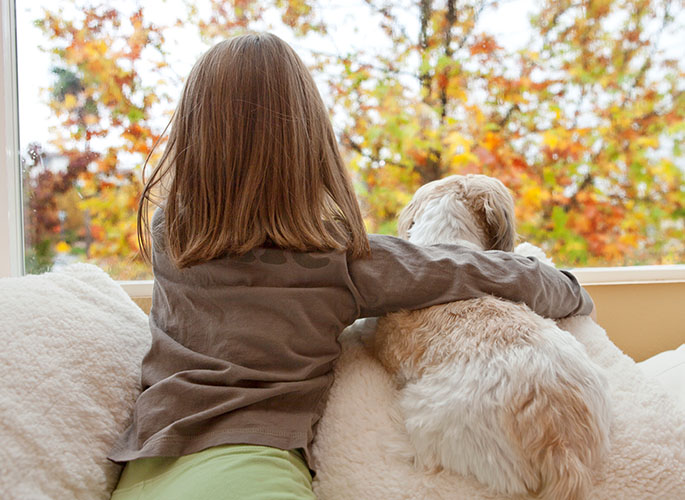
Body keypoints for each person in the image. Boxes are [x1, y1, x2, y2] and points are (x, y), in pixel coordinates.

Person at [108, 32, 594, 500]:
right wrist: (572, 291)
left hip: (143, 464)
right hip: (253, 471)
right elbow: (477, 269)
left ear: (195, 135)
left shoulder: (172, 233)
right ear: (308, 143)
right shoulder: (339, 260)